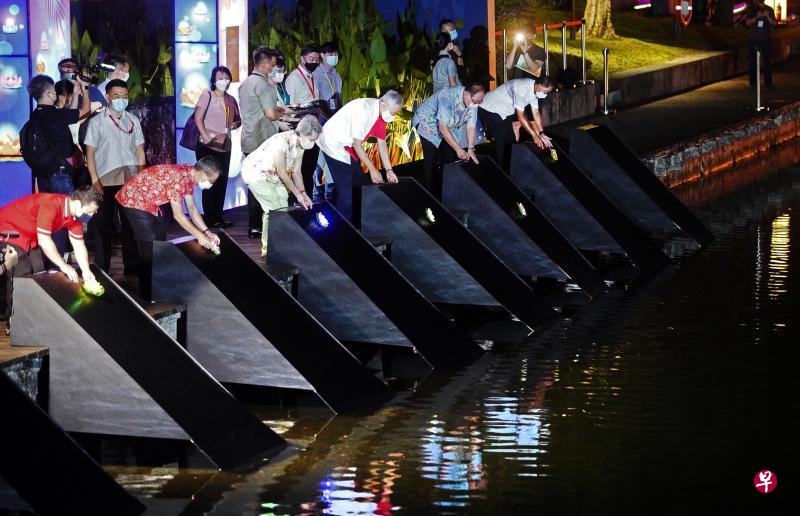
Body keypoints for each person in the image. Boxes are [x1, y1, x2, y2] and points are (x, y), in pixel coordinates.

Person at [116, 157, 222, 300]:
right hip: (134, 199)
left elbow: (191, 208)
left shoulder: (190, 175)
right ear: (201, 173)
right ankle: (147, 295)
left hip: (151, 201)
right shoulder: (179, 179)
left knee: (160, 240)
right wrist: (199, 236)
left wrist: (206, 232)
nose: (211, 184)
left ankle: (157, 285)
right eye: (211, 180)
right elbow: (178, 215)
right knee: (150, 245)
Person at [84, 78, 145, 274]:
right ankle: (102, 267)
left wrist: (141, 176)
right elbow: (90, 153)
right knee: (103, 224)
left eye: (125, 96)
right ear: (108, 97)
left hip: (130, 177)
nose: (121, 100)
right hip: (105, 177)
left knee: (131, 223)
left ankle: (132, 265)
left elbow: (140, 150)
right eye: (117, 96)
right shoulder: (97, 122)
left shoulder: (133, 120)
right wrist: (95, 180)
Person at [317, 91, 403, 224]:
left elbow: (382, 144)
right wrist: (373, 170)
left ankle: (359, 223)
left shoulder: (379, 114)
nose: (393, 116)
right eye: (393, 113)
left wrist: (389, 170)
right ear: (385, 104)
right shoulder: (365, 110)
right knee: (347, 194)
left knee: (358, 181)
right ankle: (342, 227)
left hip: (345, 146)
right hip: (333, 143)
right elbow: (357, 145)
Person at [241, 116, 320, 257]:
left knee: (282, 206)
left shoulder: (300, 145)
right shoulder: (281, 141)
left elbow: (296, 172)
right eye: (312, 139)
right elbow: (282, 171)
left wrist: (303, 193)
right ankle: (269, 249)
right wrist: (297, 195)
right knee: (274, 209)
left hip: (273, 176)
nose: (313, 143)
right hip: (256, 174)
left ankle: (278, 244)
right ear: (302, 134)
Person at [0, 188, 100, 281]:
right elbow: (44, 240)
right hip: (9, 230)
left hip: (30, 236)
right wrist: (63, 265)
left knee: (39, 272)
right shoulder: (51, 205)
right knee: (22, 273)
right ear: (77, 203)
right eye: (89, 212)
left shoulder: (76, 217)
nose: (90, 216)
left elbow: (78, 244)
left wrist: (86, 270)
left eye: (93, 213)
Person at [239, 46, 285, 238]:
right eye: (273, 65)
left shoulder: (245, 83)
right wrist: (283, 111)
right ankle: (260, 225)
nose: (274, 68)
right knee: (263, 183)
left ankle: (255, 225)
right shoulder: (264, 85)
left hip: (249, 138)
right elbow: (271, 115)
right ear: (265, 65)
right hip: (262, 140)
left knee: (253, 183)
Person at [413, 84, 485, 196]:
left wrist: (471, 148)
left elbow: (471, 125)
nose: (476, 105)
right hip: (427, 122)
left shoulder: (473, 102)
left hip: (446, 125)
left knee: (449, 157)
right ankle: (431, 194)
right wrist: (458, 149)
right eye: (475, 101)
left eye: (479, 102)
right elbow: (442, 127)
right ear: (467, 93)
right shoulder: (448, 97)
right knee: (432, 158)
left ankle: (447, 191)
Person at [193, 65, 242, 228]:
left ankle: (218, 217)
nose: (223, 80)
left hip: (225, 145)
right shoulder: (207, 95)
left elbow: (238, 120)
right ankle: (208, 219)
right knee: (208, 182)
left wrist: (236, 124)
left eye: (226, 77)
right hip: (207, 145)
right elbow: (198, 118)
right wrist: (205, 136)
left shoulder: (231, 99)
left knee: (222, 181)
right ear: (214, 80)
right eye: (220, 77)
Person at [478, 76, 554, 172]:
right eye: (545, 91)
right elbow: (520, 116)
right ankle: (503, 170)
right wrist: (534, 135)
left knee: (511, 140)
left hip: (503, 112)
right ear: (539, 86)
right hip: (489, 107)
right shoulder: (522, 88)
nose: (545, 94)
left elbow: (536, 113)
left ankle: (512, 166)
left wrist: (542, 133)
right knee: (501, 137)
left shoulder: (534, 90)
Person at [746, 0, 777, 89]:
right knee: (753, 62)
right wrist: (756, 17)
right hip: (754, 39)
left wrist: (768, 16)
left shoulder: (769, 9)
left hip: (766, 39)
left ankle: (768, 83)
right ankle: (753, 83)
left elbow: (775, 23)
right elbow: (747, 23)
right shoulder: (752, 9)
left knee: (767, 62)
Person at [314, 41, 343, 111]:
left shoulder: (336, 75)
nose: (334, 56)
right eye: (330, 54)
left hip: (336, 111)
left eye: (335, 54)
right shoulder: (316, 74)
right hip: (323, 112)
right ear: (322, 55)